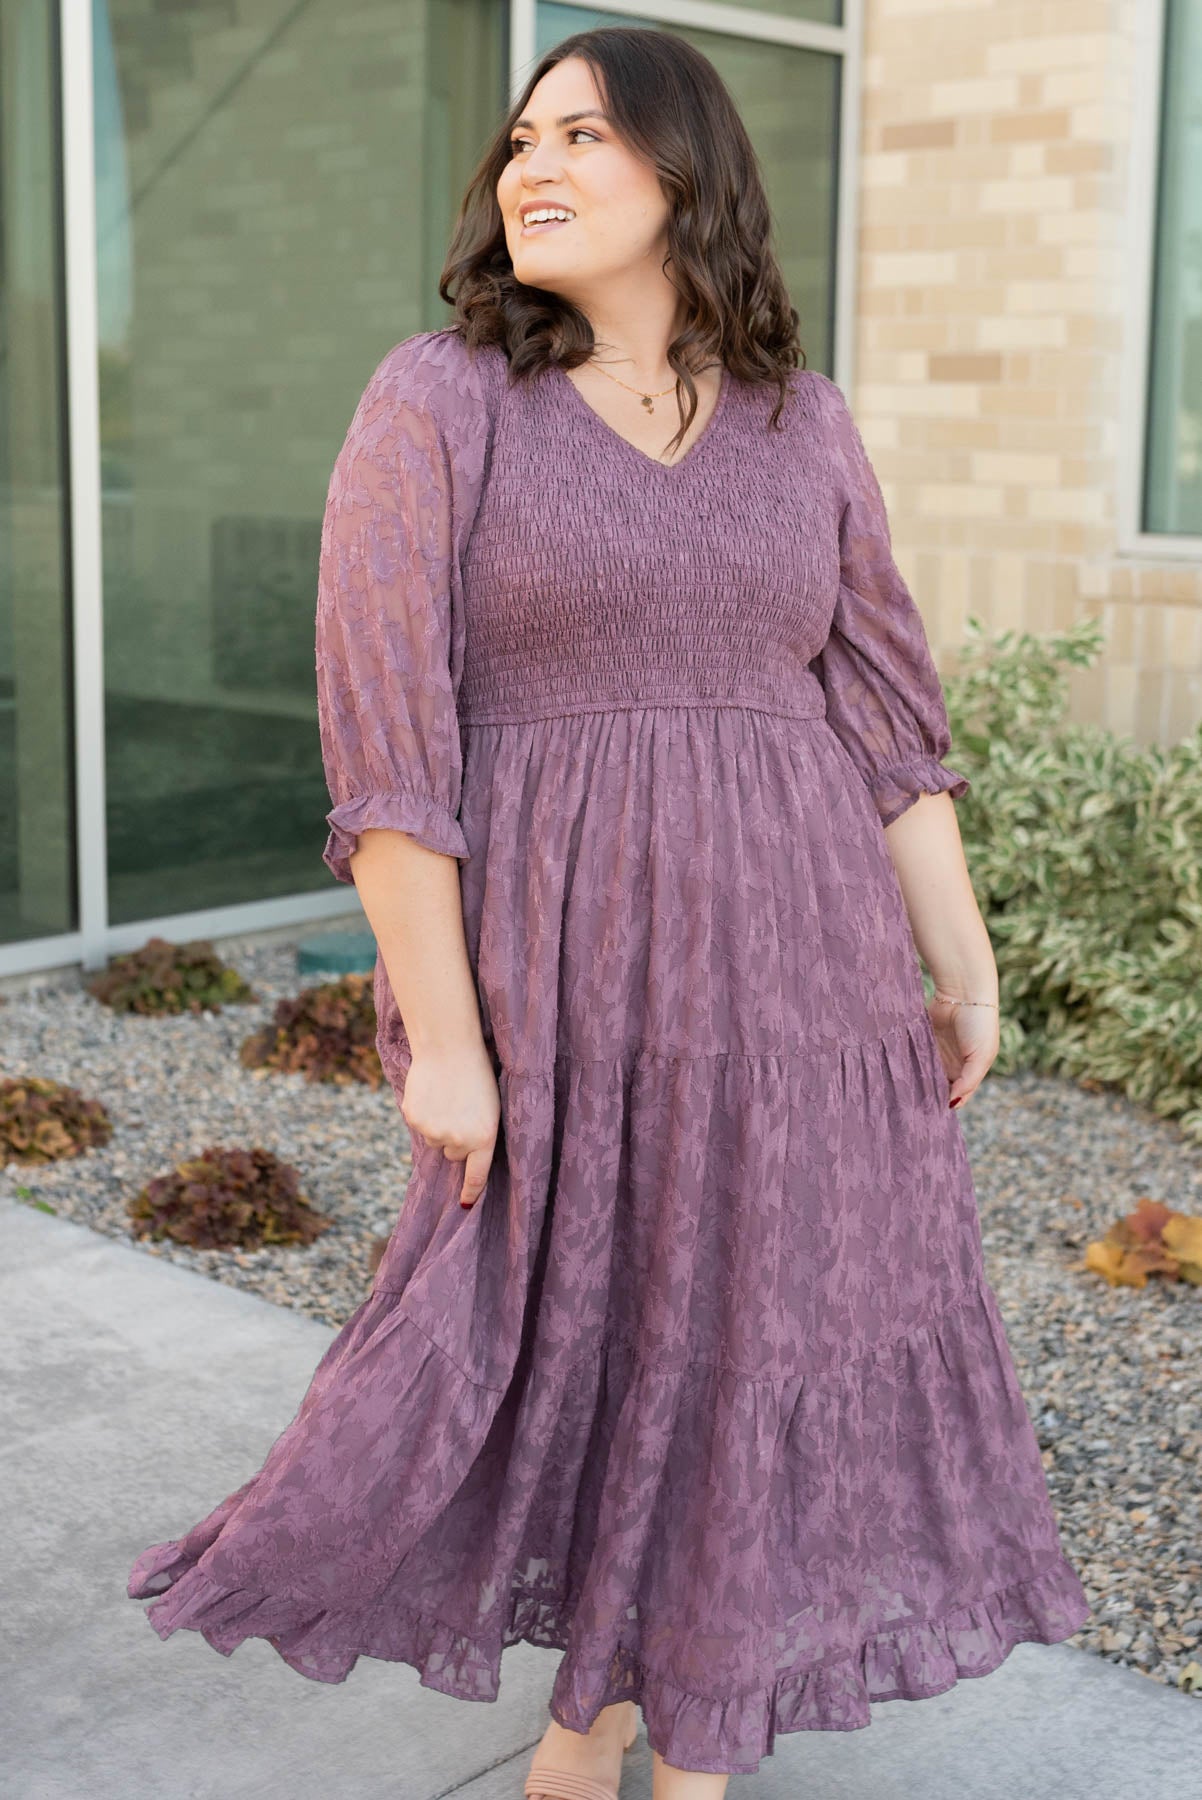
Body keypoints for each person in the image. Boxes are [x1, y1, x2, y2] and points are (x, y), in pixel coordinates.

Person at [128, 26, 1091, 1800]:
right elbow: (390, 750)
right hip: (567, 983)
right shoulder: (438, 397)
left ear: (684, 172)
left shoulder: (804, 424)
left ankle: (677, 1748)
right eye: (517, 139)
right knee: (552, 1353)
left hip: (806, 985)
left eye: (581, 131)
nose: (530, 164)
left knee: (752, 1352)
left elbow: (887, 719)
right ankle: (593, 1744)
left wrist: (958, 972)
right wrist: (445, 1043)